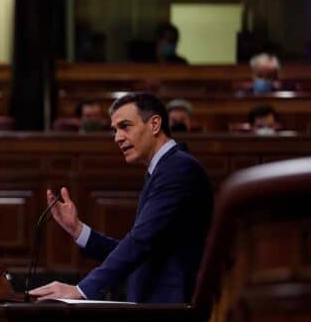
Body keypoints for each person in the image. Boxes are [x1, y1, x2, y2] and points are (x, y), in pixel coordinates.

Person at [29, 93, 213, 303]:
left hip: (172, 307)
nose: (117, 137)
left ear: (154, 124)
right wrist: (78, 229)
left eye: (125, 126)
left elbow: (140, 242)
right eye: (115, 130)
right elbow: (142, 248)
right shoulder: (164, 169)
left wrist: (83, 290)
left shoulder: (178, 169)